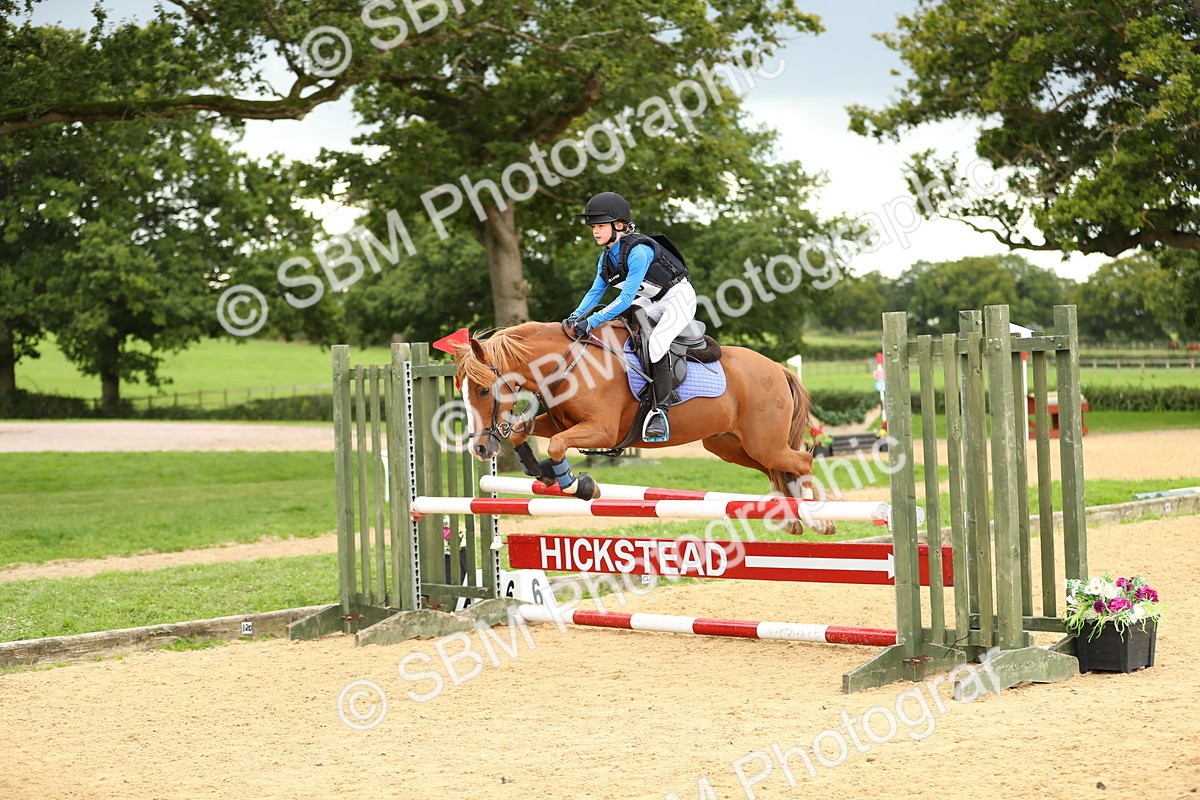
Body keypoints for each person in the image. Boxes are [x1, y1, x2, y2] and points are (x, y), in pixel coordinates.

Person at [564, 191, 697, 442]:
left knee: (657, 345)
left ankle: (660, 410)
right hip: (651, 300)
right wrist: (575, 316)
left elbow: (625, 299)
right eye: (594, 226)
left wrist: (591, 321)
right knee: (619, 332)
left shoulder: (639, 251)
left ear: (620, 226)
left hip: (678, 298)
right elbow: (595, 292)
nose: (595, 231)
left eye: (601, 225)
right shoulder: (606, 259)